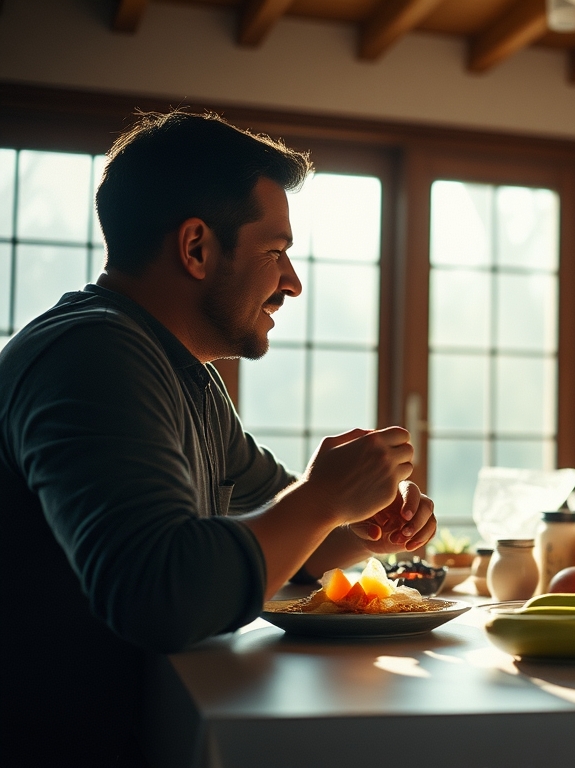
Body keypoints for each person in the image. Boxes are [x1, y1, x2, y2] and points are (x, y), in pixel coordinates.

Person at [0, 111, 438, 764]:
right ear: (197, 248)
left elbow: (273, 532)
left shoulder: (183, 373)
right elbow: (161, 595)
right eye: (276, 252)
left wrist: (360, 519)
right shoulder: (92, 354)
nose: (291, 283)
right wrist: (321, 501)